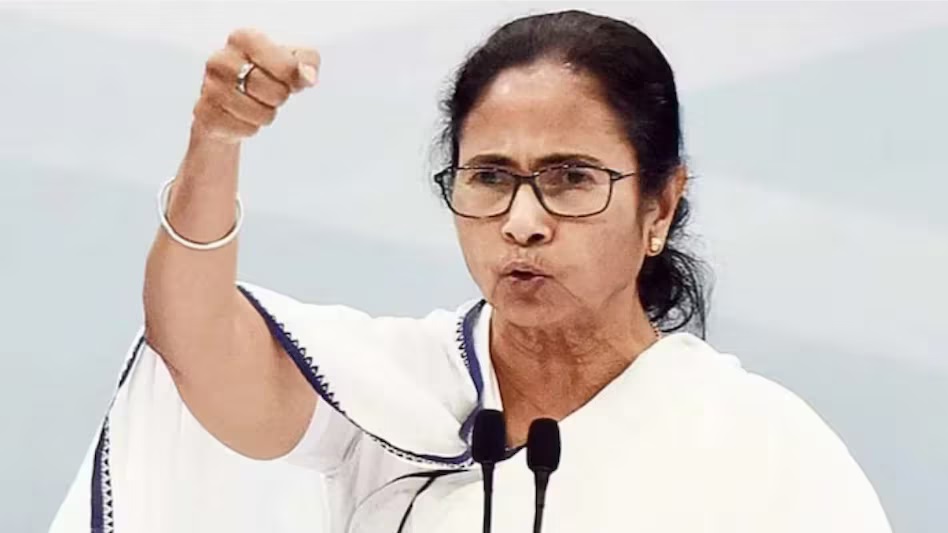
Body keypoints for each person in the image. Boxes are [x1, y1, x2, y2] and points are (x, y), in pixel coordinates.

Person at [51, 10, 892, 533]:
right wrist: (215, 140)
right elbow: (194, 342)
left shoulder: (764, 450)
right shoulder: (397, 399)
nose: (523, 221)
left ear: (661, 207)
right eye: (490, 177)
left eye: (571, 178)